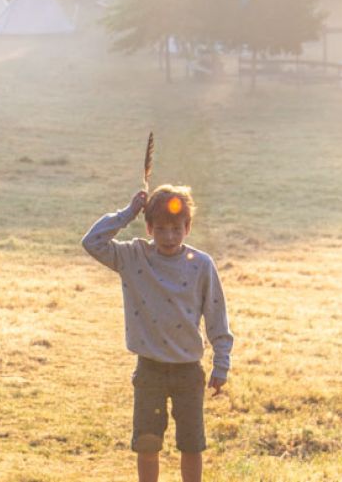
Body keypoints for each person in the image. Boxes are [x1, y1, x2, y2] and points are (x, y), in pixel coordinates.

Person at [81, 184, 233, 482]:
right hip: (149, 369)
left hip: (189, 371)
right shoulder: (133, 256)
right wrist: (127, 213)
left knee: (191, 443)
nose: (168, 237)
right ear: (149, 227)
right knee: (147, 443)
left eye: (176, 228)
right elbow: (92, 242)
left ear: (187, 227)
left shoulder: (201, 264)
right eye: (160, 229)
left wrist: (222, 361)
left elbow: (216, 314)